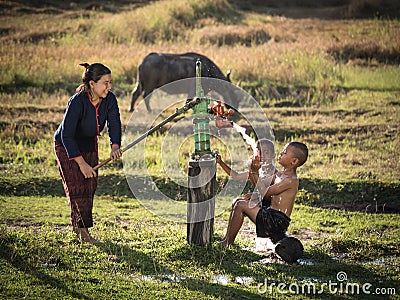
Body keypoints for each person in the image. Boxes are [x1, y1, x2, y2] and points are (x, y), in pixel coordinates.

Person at [54, 62, 122, 244]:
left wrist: (115, 146)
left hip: (89, 143)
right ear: (92, 84)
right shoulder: (77, 101)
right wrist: (82, 163)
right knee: (77, 187)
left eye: (110, 82)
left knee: (88, 187)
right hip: (67, 146)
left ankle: (79, 228)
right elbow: (66, 135)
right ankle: (83, 234)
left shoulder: (110, 99)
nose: (109, 87)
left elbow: (114, 122)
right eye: (105, 83)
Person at [216, 141, 308, 246]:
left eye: (285, 153)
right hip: (271, 215)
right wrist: (252, 173)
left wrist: (253, 172)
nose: (281, 154)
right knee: (239, 202)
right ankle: (228, 239)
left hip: (276, 221)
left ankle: (227, 242)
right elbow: (260, 186)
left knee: (240, 204)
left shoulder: (290, 180)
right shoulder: (279, 175)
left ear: (294, 161)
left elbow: (265, 192)